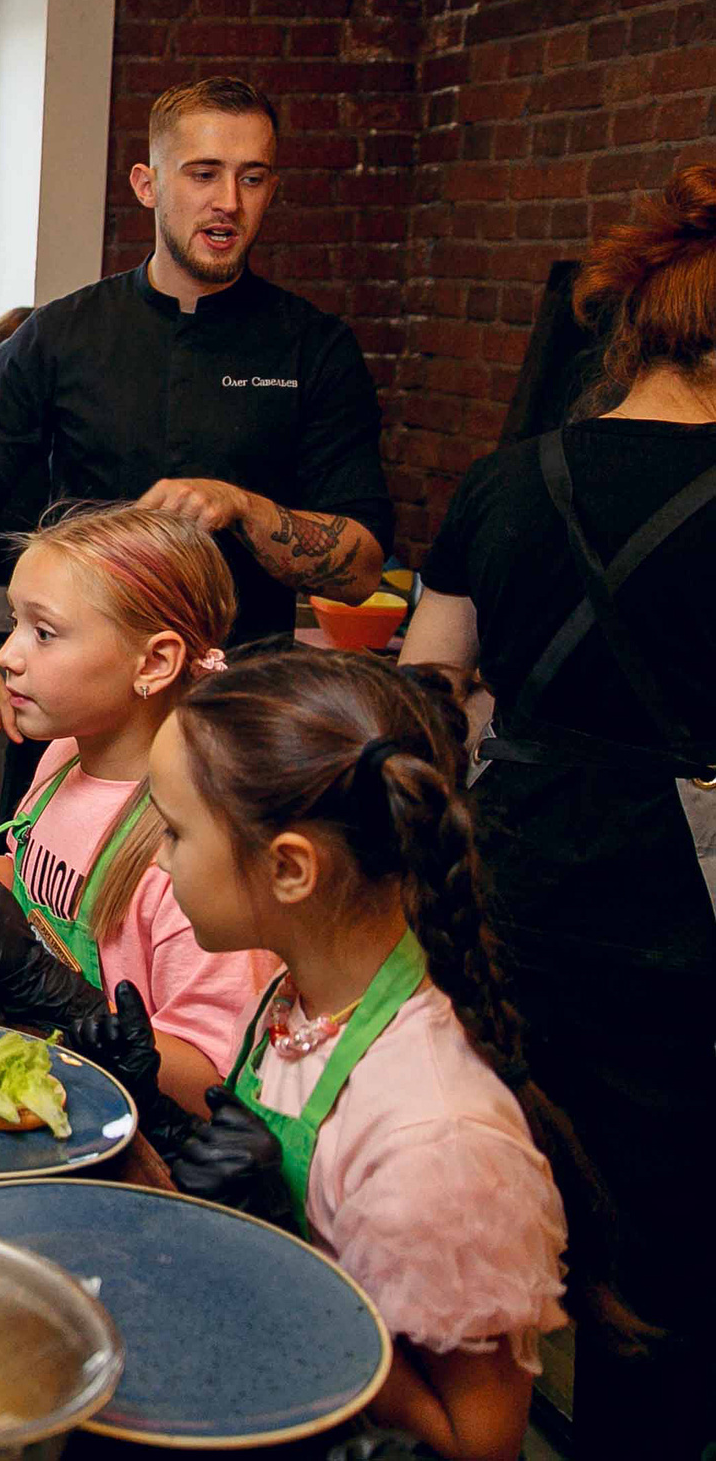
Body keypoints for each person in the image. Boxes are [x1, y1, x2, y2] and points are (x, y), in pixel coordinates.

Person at [401, 163, 716, 1454]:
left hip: (517, 888)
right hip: (675, 912)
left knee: (520, 1186)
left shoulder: (504, 479)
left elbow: (426, 687)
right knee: (672, 1234)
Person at [99, 647, 572, 1461]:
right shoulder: (299, 993)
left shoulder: (436, 1135)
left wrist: (287, 1253)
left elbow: (476, 1446)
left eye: (174, 833)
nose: (159, 860)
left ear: (289, 867)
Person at [0, 75, 396, 760]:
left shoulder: (315, 348)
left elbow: (359, 570)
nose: (228, 203)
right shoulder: (57, 337)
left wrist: (241, 506)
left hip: (234, 731)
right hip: (75, 726)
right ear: (147, 184)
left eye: (253, 177)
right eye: (203, 174)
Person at [0, 505, 259, 1108]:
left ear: (153, 662)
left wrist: (64, 997)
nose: (9, 656)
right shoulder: (65, 755)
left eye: (44, 633)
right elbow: (39, 887)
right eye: (15, 623)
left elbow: (210, 1080)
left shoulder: (191, 844)